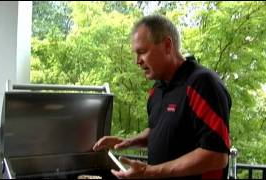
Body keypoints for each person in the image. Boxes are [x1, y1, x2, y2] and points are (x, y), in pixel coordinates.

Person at [93, 15, 232, 179]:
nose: (137, 61)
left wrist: (149, 172)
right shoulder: (157, 90)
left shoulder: (202, 83)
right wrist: (128, 142)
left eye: (142, 52)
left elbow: (216, 156)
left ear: (167, 46)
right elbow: (158, 131)